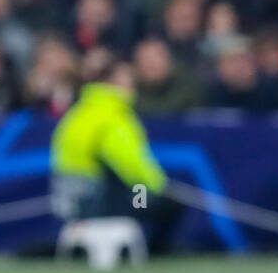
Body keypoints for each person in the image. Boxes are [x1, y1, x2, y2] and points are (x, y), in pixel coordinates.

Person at [50, 56, 181, 255]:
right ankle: (157, 253)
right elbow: (133, 167)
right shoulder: (113, 115)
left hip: (68, 202)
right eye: (128, 81)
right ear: (112, 83)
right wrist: (161, 188)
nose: (133, 86)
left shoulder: (78, 112)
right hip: (97, 202)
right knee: (168, 204)